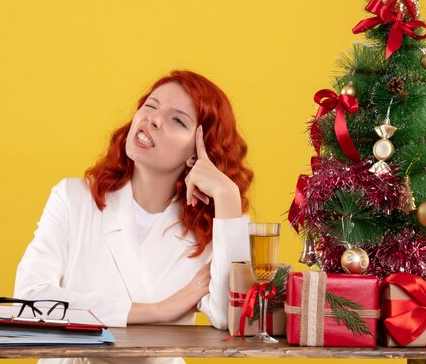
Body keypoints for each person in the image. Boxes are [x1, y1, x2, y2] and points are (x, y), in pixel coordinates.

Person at [14, 70, 253, 364]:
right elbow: (29, 299)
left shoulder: (208, 232)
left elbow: (233, 321)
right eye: (151, 106)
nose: (153, 119)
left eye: (177, 120)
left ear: (197, 153)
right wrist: (159, 311)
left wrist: (227, 197)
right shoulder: (72, 198)